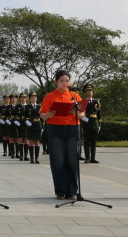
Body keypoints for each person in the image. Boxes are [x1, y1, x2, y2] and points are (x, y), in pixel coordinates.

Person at [40, 70, 85, 200]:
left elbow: (82, 114)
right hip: (55, 129)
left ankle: (72, 191)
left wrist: (76, 113)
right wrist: (48, 115)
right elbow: (42, 114)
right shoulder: (49, 97)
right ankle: (60, 191)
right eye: (61, 81)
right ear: (56, 82)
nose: (64, 83)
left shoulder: (74, 96)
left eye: (67, 81)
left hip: (72, 128)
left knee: (72, 160)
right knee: (58, 160)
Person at [81, 84, 101, 164]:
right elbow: (81, 113)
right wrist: (85, 120)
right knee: (86, 141)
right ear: (85, 93)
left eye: (91, 91)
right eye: (88, 91)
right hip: (86, 123)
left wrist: (99, 125)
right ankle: (87, 158)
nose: (89, 92)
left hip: (95, 123)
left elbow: (99, 114)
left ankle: (93, 158)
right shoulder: (83, 102)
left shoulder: (96, 102)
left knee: (94, 141)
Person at [25, 92, 43, 164]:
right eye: (32, 97)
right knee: (31, 142)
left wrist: (42, 126)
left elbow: (42, 117)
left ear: (36, 98)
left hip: (38, 126)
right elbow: (24, 116)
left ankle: (36, 158)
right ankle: (32, 158)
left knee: (37, 142)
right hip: (30, 126)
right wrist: (26, 122)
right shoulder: (27, 107)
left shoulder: (39, 107)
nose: (34, 98)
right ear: (30, 98)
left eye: (35, 97)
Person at [18, 93, 30, 161]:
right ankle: (21, 156)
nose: (23, 98)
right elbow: (15, 115)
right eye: (22, 97)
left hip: (26, 125)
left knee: (26, 140)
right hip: (19, 124)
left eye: (24, 97)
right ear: (20, 98)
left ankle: (25, 155)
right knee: (20, 140)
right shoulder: (17, 106)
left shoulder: (28, 106)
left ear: (26, 98)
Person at [8, 93, 20, 158]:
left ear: (16, 99)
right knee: (11, 139)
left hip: (17, 125)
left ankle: (17, 153)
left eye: (15, 98)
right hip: (10, 125)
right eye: (12, 98)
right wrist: (7, 120)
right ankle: (12, 153)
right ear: (10, 99)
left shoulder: (19, 106)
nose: (13, 99)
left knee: (17, 139)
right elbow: (5, 115)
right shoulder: (8, 107)